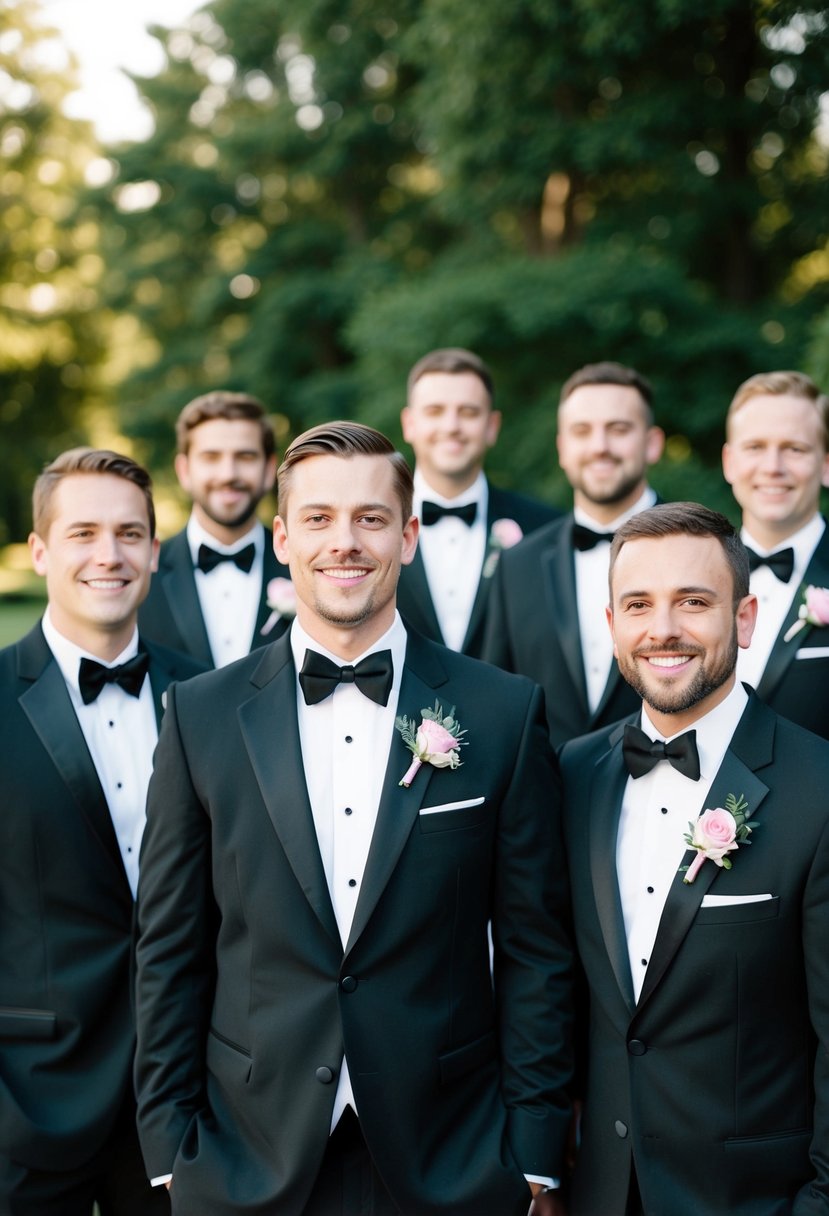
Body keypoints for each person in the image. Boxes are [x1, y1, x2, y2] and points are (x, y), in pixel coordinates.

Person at [134, 421, 573, 1216]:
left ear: (406, 535)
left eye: (371, 518)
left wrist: (534, 1153)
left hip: (451, 1153)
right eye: (319, 518)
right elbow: (170, 947)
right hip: (245, 1157)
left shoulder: (502, 712)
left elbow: (535, 950)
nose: (345, 541)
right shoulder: (199, 715)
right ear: (282, 537)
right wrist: (170, 1150)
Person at [560, 502, 829, 1216]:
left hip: (756, 1199)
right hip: (600, 1194)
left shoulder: (819, 790)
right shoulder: (573, 775)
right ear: (612, 623)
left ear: (743, 619)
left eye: (692, 602)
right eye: (638, 605)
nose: (663, 630)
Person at [0, 448, 204, 1215]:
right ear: (42, 551)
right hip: (27, 1097)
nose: (109, 555)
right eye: (83, 533)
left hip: (182, 1098)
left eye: (129, 534)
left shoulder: (211, 697)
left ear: (155, 552)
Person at [483, 361, 665, 748]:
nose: (600, 446)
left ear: (652, 443)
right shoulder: (517, 566)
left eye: (618, 429)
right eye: (583, 432)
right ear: (563, 448)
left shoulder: (702, 554)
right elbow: (495, 702)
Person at [397, 348, 559, 658]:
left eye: (468, 412)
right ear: (409, 423)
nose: (452, 426)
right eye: (435, 411)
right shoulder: (370, 528)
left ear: (492, 426)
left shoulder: (545, 530)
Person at [138, 390, 291, 667]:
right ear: (184, 470)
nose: (228, 474)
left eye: (245, 457)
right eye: (211, 457)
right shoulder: (142, 572)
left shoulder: (303, 567)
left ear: (270, 469)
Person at [722, 369, 829, 739]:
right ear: (729, 462)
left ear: (826, 464)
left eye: (794, 449)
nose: (772, 467)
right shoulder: (692, 572)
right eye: (755, 447)